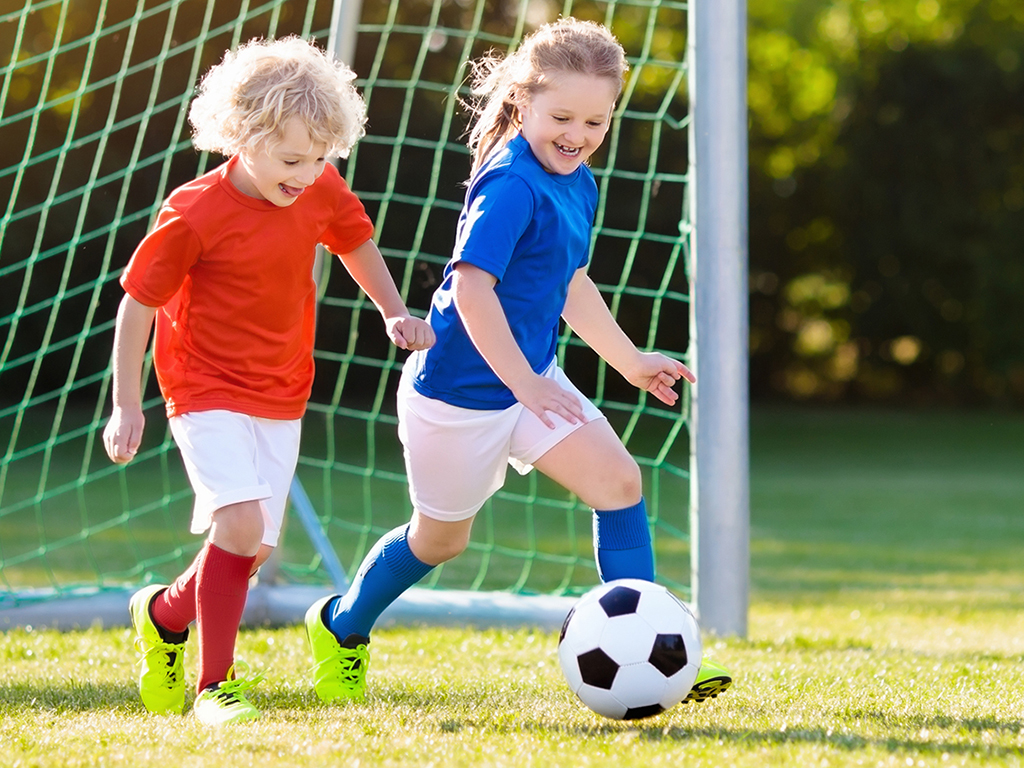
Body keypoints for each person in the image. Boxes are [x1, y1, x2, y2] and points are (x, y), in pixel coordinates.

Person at [304, 17, 731, 705]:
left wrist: (626, 360)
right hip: (459, 397)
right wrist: (525, 384)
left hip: (530, 383)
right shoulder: (509, 182)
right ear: (523, 102)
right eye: (561, 115)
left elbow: (570, 282)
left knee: (620, 483)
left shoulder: (578, 180)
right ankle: (342, 625)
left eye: (595, 120)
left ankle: (657, 650)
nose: (577, 133)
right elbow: (472, 290)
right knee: (440, 540)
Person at [102, 36, 434, 726]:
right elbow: (138, 304)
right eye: (292, 159)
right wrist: (126, 405)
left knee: (251, 549)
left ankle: (164, 615)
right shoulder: (193, 213)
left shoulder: (319, 186)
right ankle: (214, 688)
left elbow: (353, 240)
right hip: (201, 386)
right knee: (240, 524)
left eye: (320, 158)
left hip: (282, 389)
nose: (308, 173)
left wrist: (394, 310)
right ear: (242, 136)